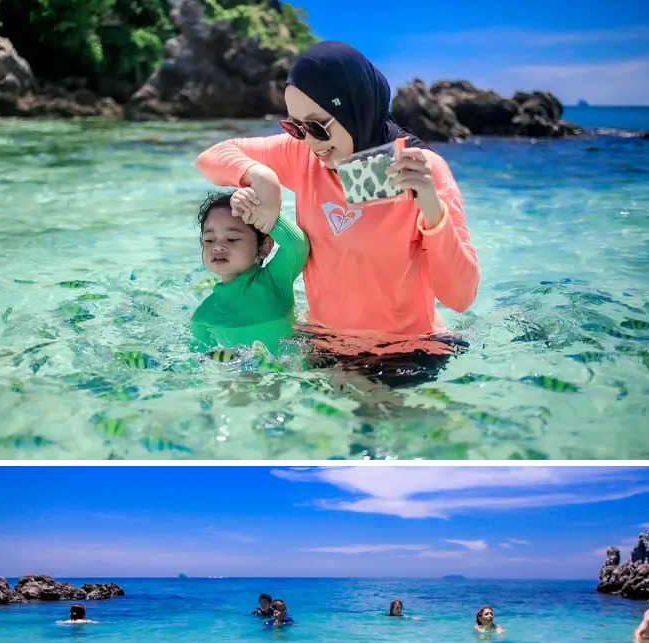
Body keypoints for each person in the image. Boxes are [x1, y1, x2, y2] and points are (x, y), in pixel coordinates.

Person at [196, 41, 480, 386]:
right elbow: (212, 156)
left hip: (402, 352)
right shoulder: (304, 155)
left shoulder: (420, 170)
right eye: (296, 127)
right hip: (325, 347)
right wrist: (261, 177)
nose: (309, 141)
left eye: (317, 127)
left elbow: (460, 298)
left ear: (353, 109)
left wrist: (433, 214)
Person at [191, 189, 310, 355]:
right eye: (209, 240)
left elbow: (296, 245)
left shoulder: (273, 282)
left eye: (232, 239)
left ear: (264, 247)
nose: (217, 246)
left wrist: (261, 212)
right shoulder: (203, 315)